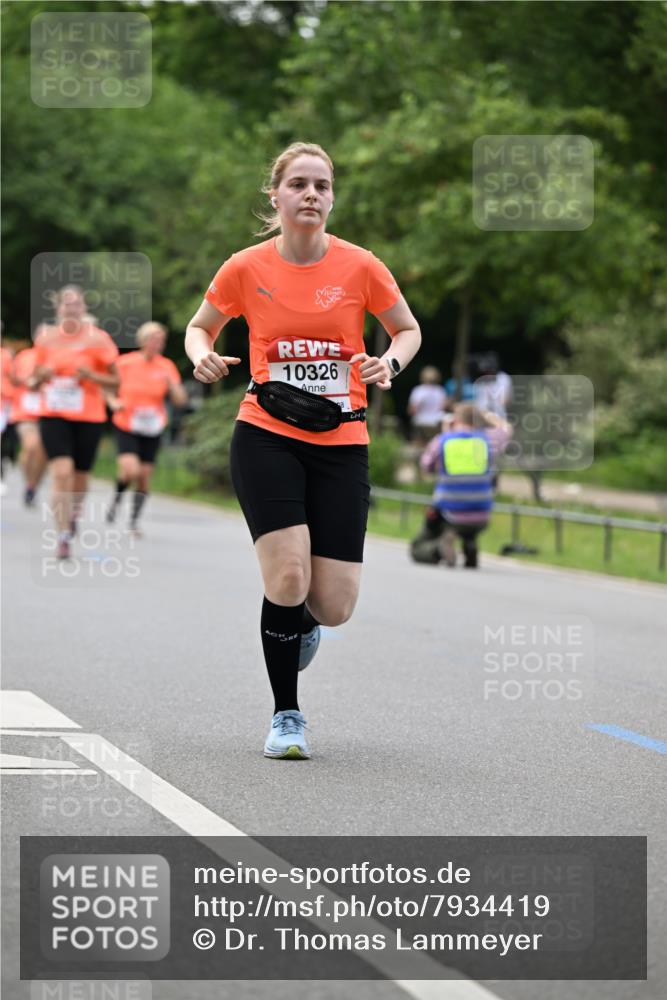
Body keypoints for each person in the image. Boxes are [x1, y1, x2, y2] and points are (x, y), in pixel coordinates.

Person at [185, 141, 421, 760]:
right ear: (277, 195)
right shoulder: (245, 268)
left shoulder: (361, 266)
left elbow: (407, 328)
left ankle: (303, 624)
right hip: (266, 432)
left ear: (332, 196)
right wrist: (200, 355)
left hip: (342, 439)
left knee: (333, 604)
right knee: (288, 575)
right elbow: (200, 325)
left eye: (322, 185)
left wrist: (388, 363)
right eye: (299, 185)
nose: (311, 194)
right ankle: (286, 714)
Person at [31, 286, 119, 559]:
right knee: (61, 472)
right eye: (66, 304)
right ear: (58, 309)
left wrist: (91, 375)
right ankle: (62, 535)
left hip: (89, 416)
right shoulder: (46, 338)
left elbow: (116, 381)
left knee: (80, 477)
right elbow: (33, 382)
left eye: (76, 304)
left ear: (83, 308)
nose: (72, 309)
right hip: (54, 414)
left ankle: (73, 515)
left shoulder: (99, 339)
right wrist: (42, 376)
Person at [106, 321, 187, 534]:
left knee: (143, 476)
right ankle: (117, 498)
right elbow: (107, 386)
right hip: (127, 422)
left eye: (161, 341)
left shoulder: (167, 366)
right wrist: (113, 402)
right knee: (130, 470)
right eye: (153, 339)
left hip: (152, 426)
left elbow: (180, 400)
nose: (157, 344)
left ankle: (133, 521)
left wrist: (172, 385)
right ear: (142, 340)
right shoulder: (125, 363)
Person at [413, 402, 511, 568]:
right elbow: (506, 429)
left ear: (455, 420)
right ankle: (470, 543)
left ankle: (438, 548)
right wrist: (487, 416)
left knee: (419, 546)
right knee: (469, 525)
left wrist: (445, 432)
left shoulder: (443, 440)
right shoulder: (487, 440)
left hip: (450, 513)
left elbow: (426, 466)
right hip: (482, 514)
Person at [8, 338, 47, 506]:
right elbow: (12, 378)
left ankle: (33, 486)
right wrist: (27, 381)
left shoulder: (57, 356)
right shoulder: (24, 356)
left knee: (43, 452)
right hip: (25, 410)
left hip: (49, 411)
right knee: (31, 446)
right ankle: (28, 483)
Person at [407, 366, 447, 444]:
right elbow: (443, 407)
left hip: (421, 422)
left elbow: (412, 410)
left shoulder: (418, 390)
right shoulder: (440, 390)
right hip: (436, 423)